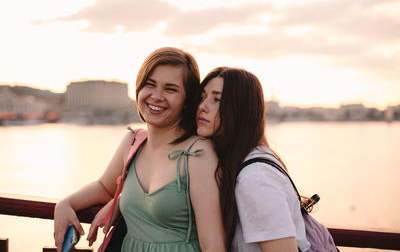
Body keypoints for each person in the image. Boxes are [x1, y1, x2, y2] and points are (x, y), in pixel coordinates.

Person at [53, 47, 226, 252]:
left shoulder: (197, 154)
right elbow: (105, 187)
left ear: (188, 100)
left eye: (170, 89)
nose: (156, 96)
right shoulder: (133, 141)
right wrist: (65, 204)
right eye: (150, 84)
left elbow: (213, 245)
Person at [196, 67, 310, 252]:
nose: (203, 106)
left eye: (217, 99)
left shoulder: (256, 177)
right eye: (202, 97)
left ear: (241, 110)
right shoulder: (243, 161)